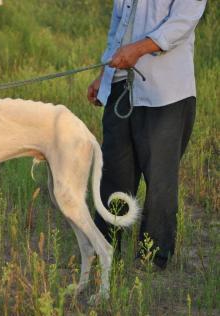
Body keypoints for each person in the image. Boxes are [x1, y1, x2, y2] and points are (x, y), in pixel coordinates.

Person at [87, 0, 207, 269]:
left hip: (165, 92)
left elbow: (183, 22)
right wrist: (103, 76)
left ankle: (153, 256)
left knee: (160, 180)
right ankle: (105, 247)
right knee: (113, 173)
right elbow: (119, 26)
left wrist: (139, 49)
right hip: (120, 85)